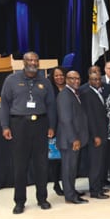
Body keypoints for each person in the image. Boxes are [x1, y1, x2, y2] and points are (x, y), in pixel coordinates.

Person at [0, 51, 56, 214]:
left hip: (40, 125)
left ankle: (42, 198)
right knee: (20, 166)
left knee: (41, 165)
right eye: (30, 60)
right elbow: (4, 104)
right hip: (19, 125)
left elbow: (51, 105)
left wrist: (52, 126)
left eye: (36, 60)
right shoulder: (11, 80)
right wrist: (5, 126)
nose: (33, 62)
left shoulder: (45, 81)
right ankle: (19, 201)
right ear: (24, 62)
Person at [57, 70, 89, 204]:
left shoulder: (74, 93)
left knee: (72, 168)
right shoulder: (64, 95)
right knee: (68, 168)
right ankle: (70, 196)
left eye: (78, 78)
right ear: (66, 79)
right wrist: (73, 139)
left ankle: (71, 190)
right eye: (72, 78)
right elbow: (65, 119)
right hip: (69, 140)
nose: (76, 81)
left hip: (75, 138)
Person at [80, 72, 110, 200]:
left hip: (103, 133)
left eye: (98, 79)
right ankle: (94, 191)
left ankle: (98, 186)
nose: (97, 81)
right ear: (89, 80)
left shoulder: (99, 92)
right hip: (96, 136)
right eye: (94, 79)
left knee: (100, 163)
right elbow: (89, 118)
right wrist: (95, 136)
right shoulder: (87, 94)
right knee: (95, 164)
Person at [47, 66, 67, 196]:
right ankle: (56, 184)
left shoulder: (69, 89)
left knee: (68, 159)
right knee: (55, 159)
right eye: (56, 75)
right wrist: (50, 127)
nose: (59, 77)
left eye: (61, 75)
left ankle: (68, 185)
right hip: (54, 128)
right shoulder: (49, 90)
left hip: (68, 128)